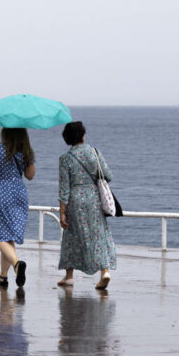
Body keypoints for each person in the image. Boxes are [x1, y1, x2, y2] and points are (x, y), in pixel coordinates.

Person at [57, 121, 116, 289]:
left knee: (71, 236)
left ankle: (69, 276)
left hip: (75, 200)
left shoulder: (65, 159)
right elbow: (108, 176)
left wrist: (62, 212)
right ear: (82, 135)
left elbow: (63, 188)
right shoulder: (94, 153)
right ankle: (104, 271)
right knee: (98, 234)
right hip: (93, 198)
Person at [0, 128, 36, 287]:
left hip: (2, 193)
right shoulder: (26, 151)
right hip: (19, 194)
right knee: (9, 237)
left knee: (1, 237)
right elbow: (30, 175)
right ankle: (3, 276)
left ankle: (16, 264)